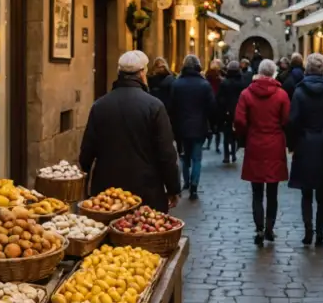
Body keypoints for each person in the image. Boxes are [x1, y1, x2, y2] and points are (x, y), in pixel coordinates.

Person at [79, 50, 180, 211]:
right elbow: (166, 153)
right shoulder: (154, 106)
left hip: (107, 191)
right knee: (142, 231)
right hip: (146, 189)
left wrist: (84, 185)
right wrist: (173, 188)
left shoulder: (100, 105)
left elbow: (87, 151)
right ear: (142, 73)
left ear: (119, 73)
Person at [234, 59, 290, 245]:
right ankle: (269, 229)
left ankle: (258, 228)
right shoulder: (281, 95)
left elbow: (240, 120)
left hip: (255, 144)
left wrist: (246, 134)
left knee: (257, 191)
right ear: (273, 73)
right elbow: (286, 119)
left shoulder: (246, 94)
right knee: (272, 191)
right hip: (274, 144)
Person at [287, 53, 323, 246]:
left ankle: (308, 230)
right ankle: (320, 233)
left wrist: (293, 143)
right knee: (322, 195)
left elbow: (292, 121)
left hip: (305, 145)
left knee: (306, 193)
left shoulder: (299, 93)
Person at [170, 54, 216, 201]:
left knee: (184, 157)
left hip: (181, 127)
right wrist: (211, 124)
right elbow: (211, 107)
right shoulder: (204, 85)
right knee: (197, 158)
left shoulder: (177, 84)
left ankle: (187, 182)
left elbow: (171, 107)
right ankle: (194, 186)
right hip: (199, 127)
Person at [217, 60, 244, 164]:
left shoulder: (224, 83)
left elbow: (220, 98)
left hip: (227, 112)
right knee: (235, 134)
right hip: (239, 110)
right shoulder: (242, 82)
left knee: (226, 134)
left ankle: (226, 155)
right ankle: (233, 153)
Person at [204, 58, 224, 152]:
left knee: (209, 125)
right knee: (217, 126)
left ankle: (209, 143)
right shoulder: (221, 77)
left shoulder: (207, 75)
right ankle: (216, 146)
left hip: (209, 101)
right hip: (218, 103)